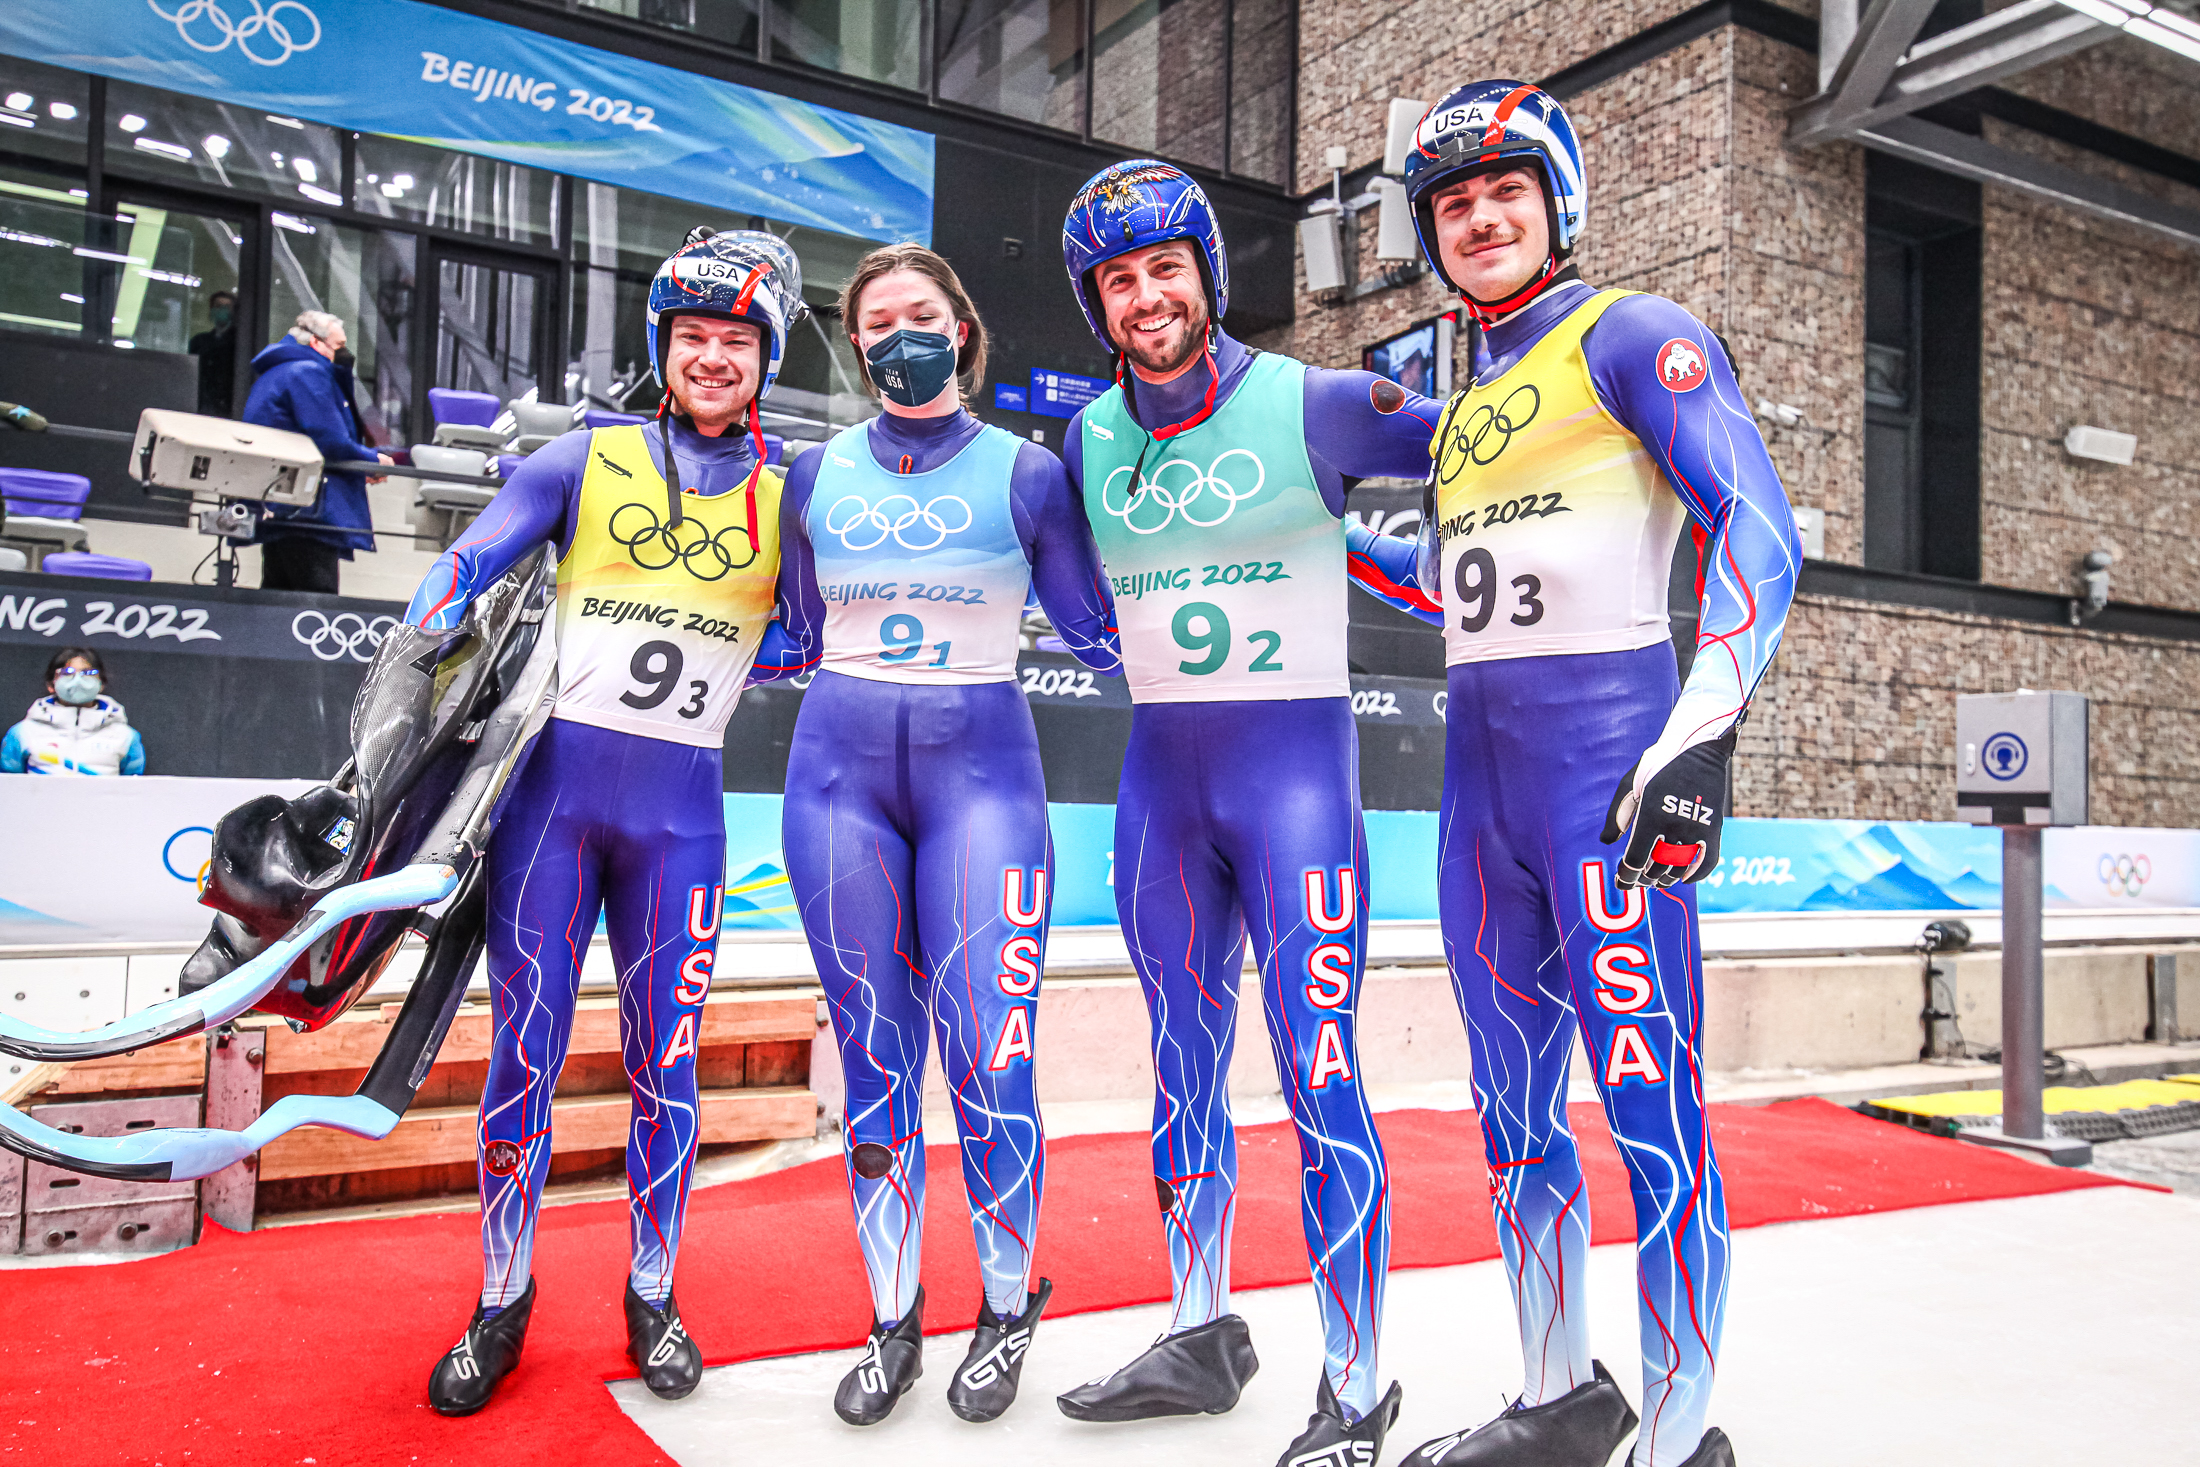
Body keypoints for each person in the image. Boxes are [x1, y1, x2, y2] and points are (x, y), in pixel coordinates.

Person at [1358, 81, 1802, 1467]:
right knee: (1511, 1110)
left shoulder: (1636, 335)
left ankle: (1679, 1436)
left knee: (1652, 1105)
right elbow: (1461, 582)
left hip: (1608, 779)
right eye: (1452, 203)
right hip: (1478, 787)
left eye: (1505, 192)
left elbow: (1760, 530)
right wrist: (1309, 537)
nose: (1479, 218)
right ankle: (1562, 1394)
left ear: (1557, 202)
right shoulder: (1463, 397)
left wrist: (1697, 739)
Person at [1048, 159, 1445, 1467]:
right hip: (1161, 788)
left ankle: (1358, 1381)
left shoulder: (1315, 401)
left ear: (1207, 276)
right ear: (1097, 305)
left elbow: (1487, 435)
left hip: (1295, 788)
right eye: (1119, 279)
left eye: (1166, 267)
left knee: (1320, 1067)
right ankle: (1199, 1328)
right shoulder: (1090, 437)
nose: (1146, 295)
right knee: (1179, 1065)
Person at [401, 229, 805, 1417]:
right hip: (552, 811)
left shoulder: (789, 489)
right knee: (522, 1058)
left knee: (663, 1066)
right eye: (693, 339)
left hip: (679, 821)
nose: (714, 359)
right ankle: (500, 1299)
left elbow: (821, 630)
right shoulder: (586, 456)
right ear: (663, 349)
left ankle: (653, 1291)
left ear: (766, 355)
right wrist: (440, 610)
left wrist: (745, 654)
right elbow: (470, 557)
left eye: (738, 341)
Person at [760, 243, 1120, 1426]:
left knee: (987, 1055)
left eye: (922, 313)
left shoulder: (1029, 472)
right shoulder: (811, 476)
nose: (900, 335)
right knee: (873, 1061)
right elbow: (787, 634)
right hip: (834, 788)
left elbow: (1100, 629)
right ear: (854, 346)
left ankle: (1009, 1304)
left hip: (984, 790)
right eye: (877, 322)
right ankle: (892, 1318)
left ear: (961, 329)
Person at [242, 310, 392, 594]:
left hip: (281, 505)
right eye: (338, 346)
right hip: (309, 511)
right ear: (316, 342)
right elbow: (329, 439)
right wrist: (372, 460)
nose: (344, 354)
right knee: (315, 602)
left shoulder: (278, 372)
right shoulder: (308, 373)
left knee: (277, 597)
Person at [1, 649, 144, 775]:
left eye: (88, 673)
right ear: (51, 684)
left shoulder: (126, 736)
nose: (78, 680)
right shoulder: (23, 732)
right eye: (67, 673)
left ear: (101, 683)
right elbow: (8, 785)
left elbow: (131, 787)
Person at [188, 289, 237, 418]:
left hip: (227, 407)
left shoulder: (240, 344)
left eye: (227, 307)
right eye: (218, 306)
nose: (221, 310)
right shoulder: (199, 341)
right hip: (200, 403)